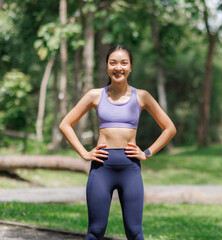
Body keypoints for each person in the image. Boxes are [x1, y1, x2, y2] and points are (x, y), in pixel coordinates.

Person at [59, 45, 176, 240]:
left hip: (130, 168)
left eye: (124, 63)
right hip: (101, 168)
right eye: (113, 62)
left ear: (130, 67)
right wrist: (84, 153)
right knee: (95, 231)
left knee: (134, 231)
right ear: (106, 66)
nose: (118, 67)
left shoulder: (142, 96)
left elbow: (170, 128)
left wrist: (147, 152)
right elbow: (65, 124)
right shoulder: (95, 95)